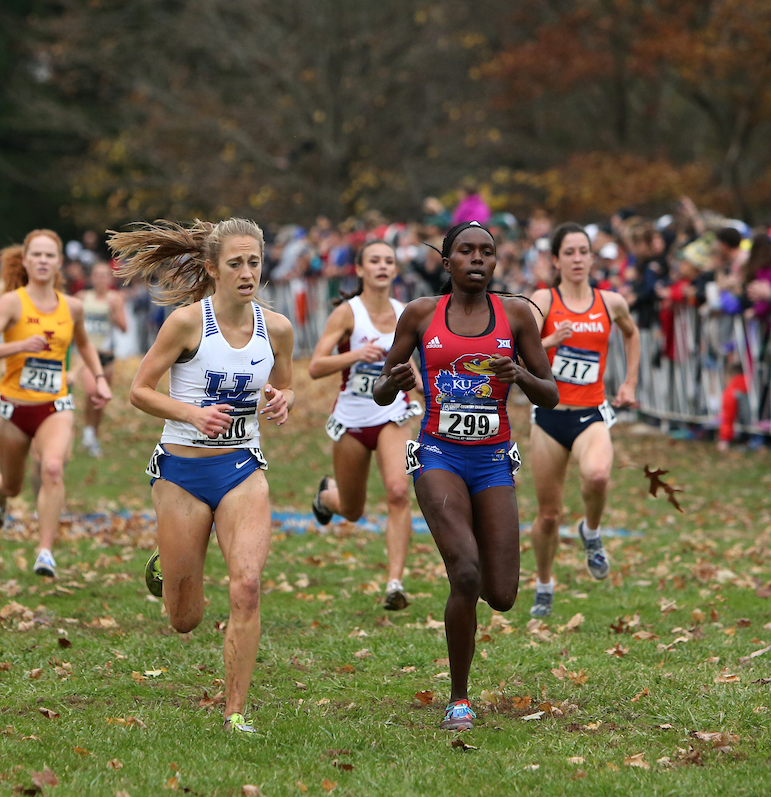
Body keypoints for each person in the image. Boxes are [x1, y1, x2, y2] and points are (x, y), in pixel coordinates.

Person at [110, 218, 294, 734]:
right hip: (182, 473)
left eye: (254, 262)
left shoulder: (276, 328)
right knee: (184, 619)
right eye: (235, 263)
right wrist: (191, 414)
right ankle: (168, 565)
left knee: (248, 586)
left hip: (241, 467)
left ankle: (235, 712)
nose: (246, 272)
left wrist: (283, 400)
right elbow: (139, 390)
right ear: (213, 268)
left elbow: (286, 384)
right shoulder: (188, 324)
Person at [373, 221, 558, 731]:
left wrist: (517, 374)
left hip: (494, 460)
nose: (477, 259)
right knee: (468, 572)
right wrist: (397, 377)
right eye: (466, 251)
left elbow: (551, 393)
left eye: (487, 252)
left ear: (495, 263)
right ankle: (459, 699)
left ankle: (466, 583)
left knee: (501, 594)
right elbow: (380, 394)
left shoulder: (516, 314)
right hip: (439, 456)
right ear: (447, 260)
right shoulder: (420, 315)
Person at [0, 232, 111, 577]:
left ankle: (45, 551)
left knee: (52, 467)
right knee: (13, 484)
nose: (43, 260)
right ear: (26, 260)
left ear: (59, 261)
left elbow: (85, 345)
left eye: (50, 255)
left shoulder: (73, 307)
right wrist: (19, 346)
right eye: (36, 254)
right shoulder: (11, 303)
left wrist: (101, 378)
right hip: (13, 407)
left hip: (55, 406)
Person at [527, 223, 639, 618]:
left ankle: (591, 531)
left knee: (597, 476)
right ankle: (544, 583)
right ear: (555, 259)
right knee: (548, 514)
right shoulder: (543, 299)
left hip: (591, 414)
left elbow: (631, 333)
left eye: (583, 252)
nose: (577, 259)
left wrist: (629, 382)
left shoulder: (610, 302)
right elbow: (515, 349)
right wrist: (549, 342)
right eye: (569, 252)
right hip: (548, 418)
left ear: (592, 257)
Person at [307, 240, 422, 611]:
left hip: (392, 416)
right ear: (359, 269)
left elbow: (413, 369)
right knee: (353, 510)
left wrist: (432, 391)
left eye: (389, 261)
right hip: (352, 420)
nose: (383, 266)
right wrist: (358, 354)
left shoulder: (406, 313)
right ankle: (327, 496)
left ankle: (394, 583)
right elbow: (315, 366)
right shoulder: (346, 314)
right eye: (374, 260)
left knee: (398, 492)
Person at [76, 260, 128, 457]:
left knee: (101, 399)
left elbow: (124, 328)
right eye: (97, 275)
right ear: (91, 278)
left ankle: (93, 436)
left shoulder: (115, 299)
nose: (100, 279)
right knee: (92, 391)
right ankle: (88, 431)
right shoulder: (81, 297)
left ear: (110, 278)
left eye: (104, 275)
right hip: (87, 356)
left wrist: (112, 313)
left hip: (107, 355)